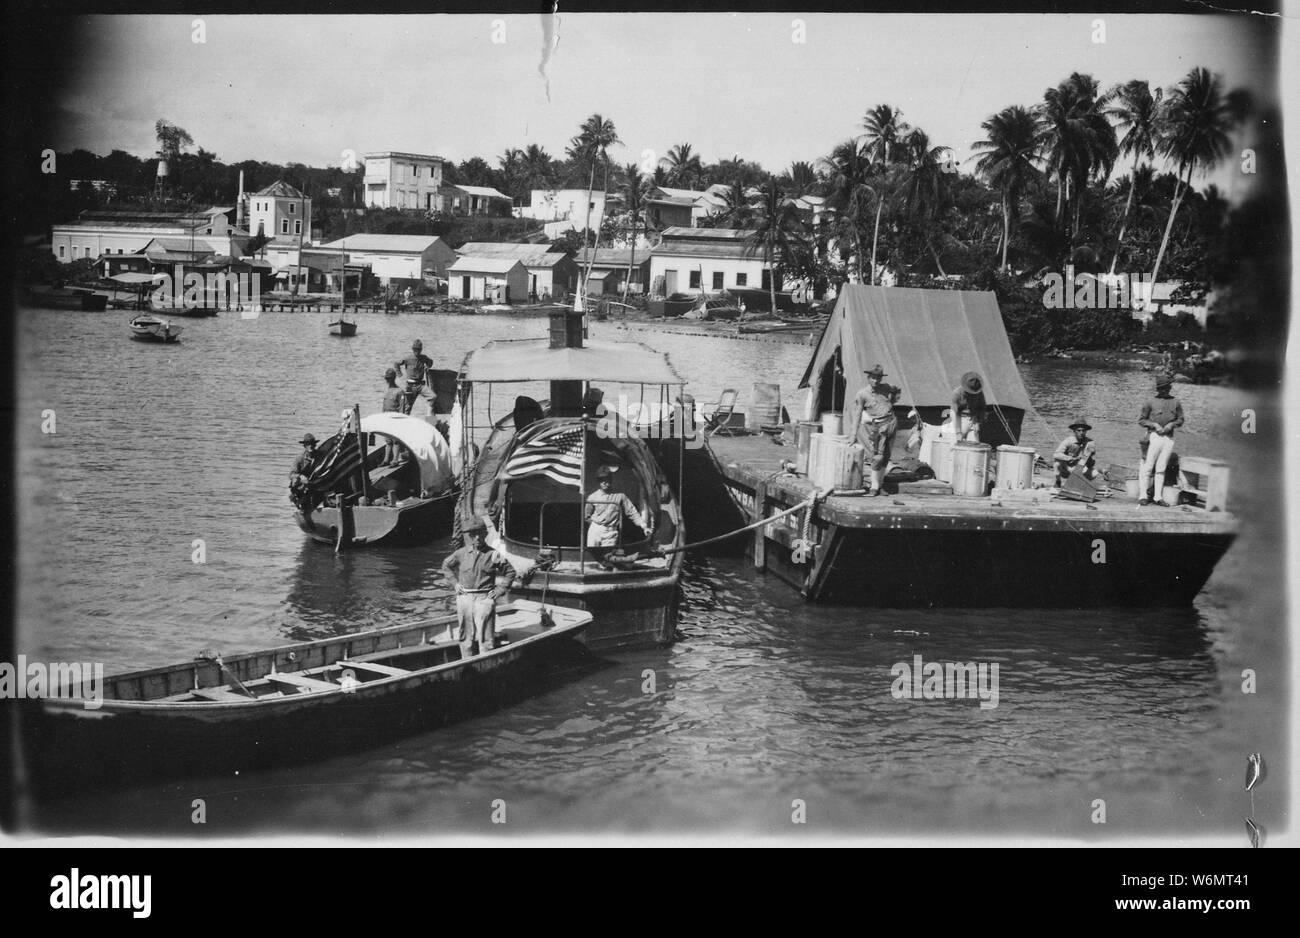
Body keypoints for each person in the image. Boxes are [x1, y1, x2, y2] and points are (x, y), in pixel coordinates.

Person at [441, 518, 515, 657]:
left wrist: (500, 590)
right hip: (465, 598)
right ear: (469, 536)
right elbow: (446, 566)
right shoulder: (460, 554)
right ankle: (466, 661)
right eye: (473, 534)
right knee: (465, 636)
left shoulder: (493, 554)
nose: (477, 538)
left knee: (486, 638)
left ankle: (486, 662)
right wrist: (455, 584)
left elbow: (510, 572)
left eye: (480, 534)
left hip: (484, 598)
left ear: (485, 534)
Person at [848, 363, 898, 497]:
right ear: (868, 378)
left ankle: (880, 484)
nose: (876, 381)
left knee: (886, 456)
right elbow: (857, 413)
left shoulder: (886, 388)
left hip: (891, 423)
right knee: (876, 457)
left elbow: (896, 393)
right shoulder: (862, 394)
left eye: (878, 378)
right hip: (877, 428)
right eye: (873, 378)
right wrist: (853, 434)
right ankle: (874, 487)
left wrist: (891, 400)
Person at [585, 466, 651, 561]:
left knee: (609, 559)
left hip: (611, 533)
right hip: (595, 531)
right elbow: (586, 516)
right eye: (601, 479)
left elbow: (632, 511)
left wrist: (644, 526)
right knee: (593, 558)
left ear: (611, 480)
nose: (604, 482)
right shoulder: (592, 497)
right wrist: (596, 527)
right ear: (598, 481)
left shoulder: (620, 496)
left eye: (607, 479)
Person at [1137, 373, 1184, 506]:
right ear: (1158, 389)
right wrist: (1154, 425)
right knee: (1148, 467)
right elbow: (1141, 420)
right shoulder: (1150, 402)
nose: (1164, 391)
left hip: (1168, 438)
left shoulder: (1176, 402)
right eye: (1162, 388)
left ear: (1170, 387)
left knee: (1161, 468)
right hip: (1154, 436)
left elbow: (1180, 419)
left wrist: (1171, 425)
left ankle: (1158, 496)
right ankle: (1143, 495)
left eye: (1167, 388)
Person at [394, 339, 436, 414]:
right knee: (407, 408)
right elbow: (396, 363)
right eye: (415, 349)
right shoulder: (408, 358)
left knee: (432, 397)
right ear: (413, 349)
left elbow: (431, 362)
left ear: (421, 350)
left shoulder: (423, 357)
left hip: (420, 385)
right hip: (410, 386)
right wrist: (400, 375)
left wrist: (428, 366)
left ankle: (430, 421)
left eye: (419, 350)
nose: (417, 351)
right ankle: (404, 424)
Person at [1053, 419, 1098, 487]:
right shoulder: (1068, 440)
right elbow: (1056, 454)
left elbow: (1091, 465)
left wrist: (1090, 457)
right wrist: (1070, 458)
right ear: (1074, 431)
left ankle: (1080, 484)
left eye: (1083, 430)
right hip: (1067, 468)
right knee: (1057, 464)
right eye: (1079, 430)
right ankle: (1058, 481)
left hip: (1079, 469)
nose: (1081, 433)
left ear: (1086, 432)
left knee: (1094, 473)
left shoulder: (1090, 443)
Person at [951, 371, 987, 442]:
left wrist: (977, 422)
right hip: (959, 415)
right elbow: (956, 414)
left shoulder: (979, 393)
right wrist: (958, 432)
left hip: (972, 417)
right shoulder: (957, 394)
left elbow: (982, 408)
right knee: (958, 440)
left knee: (974, 443)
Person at [380, 368, 404, 466]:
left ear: (393, 379)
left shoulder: (399, 391)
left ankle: (395, 460)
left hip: (395, 418)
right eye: (387, 378)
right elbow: (384, 406)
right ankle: (386, 460)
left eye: (389, 378)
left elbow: (402, 407)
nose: (387, 380)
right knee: (388, 440)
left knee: (395, 440)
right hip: (386, 418)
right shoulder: (387, 391)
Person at [289, 433, 317, 509]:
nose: (310, 446)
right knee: (295, 481)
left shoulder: (319, 456)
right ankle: (300, 501)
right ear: (304, 446)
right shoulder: (300, 458)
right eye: (308, 444)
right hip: (303, 486)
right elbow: (291, 474)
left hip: (316, 483)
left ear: (315, 445)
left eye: (312, 444)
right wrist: (301, 477)